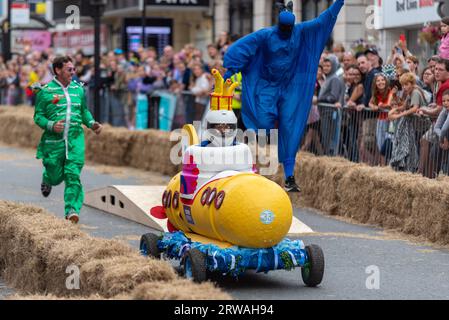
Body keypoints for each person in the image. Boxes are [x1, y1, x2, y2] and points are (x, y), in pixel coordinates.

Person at [223, 0, 344, 192]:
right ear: (279, 24)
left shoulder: (301, 31)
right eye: (284, 27)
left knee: (291, 126)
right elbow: (246, 48)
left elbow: (323, 21)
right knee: (263, 121)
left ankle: (289, 175)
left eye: (290, 27)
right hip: (267, 85)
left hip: (290, 86)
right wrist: (231, 70)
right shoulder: (266, 34)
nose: (287, 30)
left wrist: (339, 3)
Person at [34, 56, 103, 224]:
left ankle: (72, 210)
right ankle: (47, 178)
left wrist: (92, 123)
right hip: (53, 142)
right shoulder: (45, 91)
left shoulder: (78, 89)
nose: (73, 72)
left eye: (74, 69)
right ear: (58, 70)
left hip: (75, 141)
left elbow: (84, 111)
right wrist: (50, 125)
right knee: (56, 177)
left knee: (73, 175)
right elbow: (38, 116)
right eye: (69, 69)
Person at [389, 73, 426, 172]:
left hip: (422, 126)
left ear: (412, 83)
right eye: (403, 85)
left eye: (407, 84)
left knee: (418, 149)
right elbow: (404, 107)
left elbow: (415, 108)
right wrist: (394, 110)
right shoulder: (410, 93)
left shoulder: (415, 92)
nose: (404, 87)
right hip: (415, 127)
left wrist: (399, 115)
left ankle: (419, 170)